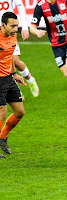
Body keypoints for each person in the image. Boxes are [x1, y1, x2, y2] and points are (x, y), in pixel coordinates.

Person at [0, 0, 39, 98]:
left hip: (9, 32)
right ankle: (14, 90)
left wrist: (24, 27)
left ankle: (30, 79)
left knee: (15, 62)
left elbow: (21, 7)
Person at [0, 12, 27, 157]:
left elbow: (9, 56)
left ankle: (2, 137)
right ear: (3, 25)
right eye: (12, 26)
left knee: (19, 112)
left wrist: (14, 74)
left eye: (17, 25)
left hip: (8, 78)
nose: (15, 29)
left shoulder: (12, 36)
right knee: (2, 111)